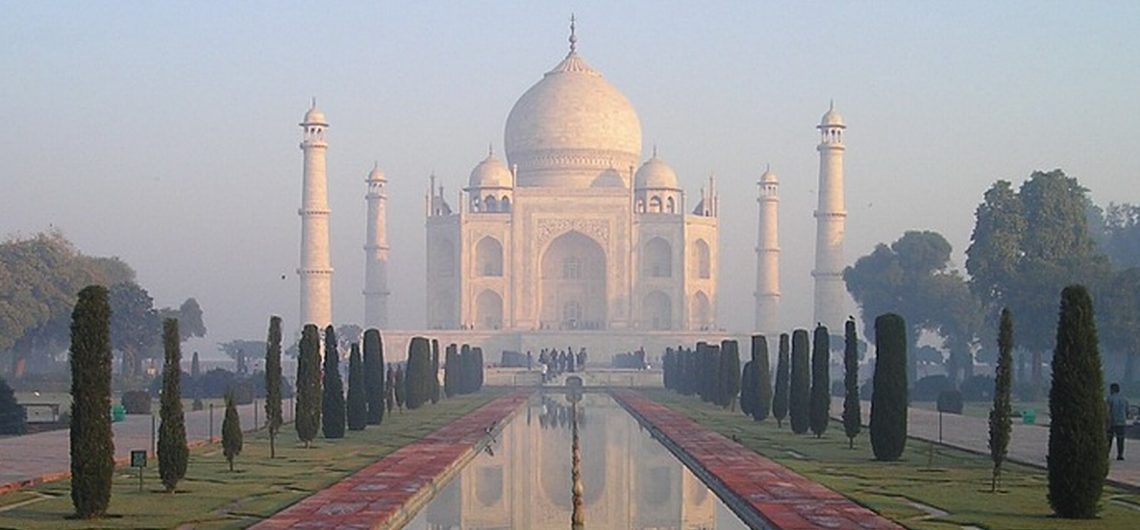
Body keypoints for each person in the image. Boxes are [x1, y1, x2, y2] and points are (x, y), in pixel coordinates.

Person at [1107, 383, 1130, 460]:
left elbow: (1108, 410)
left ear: (1112, 389)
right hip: (1122, 421)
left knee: (1109, 438)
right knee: (1120, 439)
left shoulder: (1110, 398)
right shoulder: (1124, 399)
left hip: (1112, 421)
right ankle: (1120, 454)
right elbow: (1127, 411)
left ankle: (1106, 454)